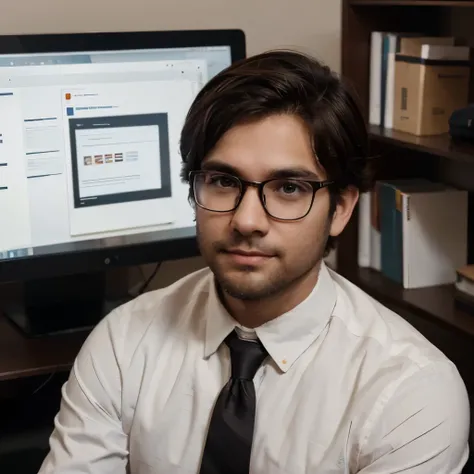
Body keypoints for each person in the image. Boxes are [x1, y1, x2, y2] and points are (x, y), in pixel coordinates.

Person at [38, 50, 470, 474]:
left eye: (288, 188)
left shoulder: (411, 391)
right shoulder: (123, 342)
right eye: (223, 181)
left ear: (340, 209)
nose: (246, 220)